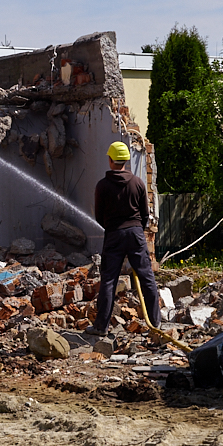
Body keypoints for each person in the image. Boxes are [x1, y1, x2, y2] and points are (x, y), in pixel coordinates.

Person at [91, 140, 159, 335]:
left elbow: (99, 216)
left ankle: (101, 327)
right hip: (136, 234)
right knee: (147, 278)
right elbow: (145, 214)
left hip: (114, 234)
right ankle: (156, 324)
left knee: (109, 280)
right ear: (126, 161)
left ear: (111, 160)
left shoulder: (102, 186)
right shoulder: (138, 183)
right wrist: (136, 229)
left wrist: (113, 228)